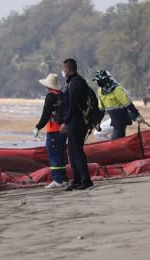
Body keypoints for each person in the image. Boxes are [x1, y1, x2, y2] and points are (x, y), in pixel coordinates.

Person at [60, 58, 93, 191]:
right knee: (72, 152)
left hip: (76, 123)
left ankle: (85, 179)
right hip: (76, 122)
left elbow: (73, 105)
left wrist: (65, 122)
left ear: (68, 69)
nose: (63, 72)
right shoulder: (74, 82)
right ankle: (77, 180)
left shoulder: (76, 83)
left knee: (77, 152)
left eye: (64, 69)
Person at [33, 73, 68, 188]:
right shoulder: (62, 95)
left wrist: (38, 127)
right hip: (64, 130)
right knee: (61, 154)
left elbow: (46, 114)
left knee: (53, 154)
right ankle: (63, 179)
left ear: (48, 86)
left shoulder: (50, 97)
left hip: (53, 131)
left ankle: (57, 180)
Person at [92, 70, 144, 139]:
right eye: (98, 81)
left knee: (115, 141)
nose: (99, 82)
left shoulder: (117, 89)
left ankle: (113, 148)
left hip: (121, 120)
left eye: (101, 80)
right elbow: (102, 110)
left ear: (107, 79)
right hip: (113, 120)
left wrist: (137, 115)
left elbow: (128, 105)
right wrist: (98, 122)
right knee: (101, 135)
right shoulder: (100, 91)